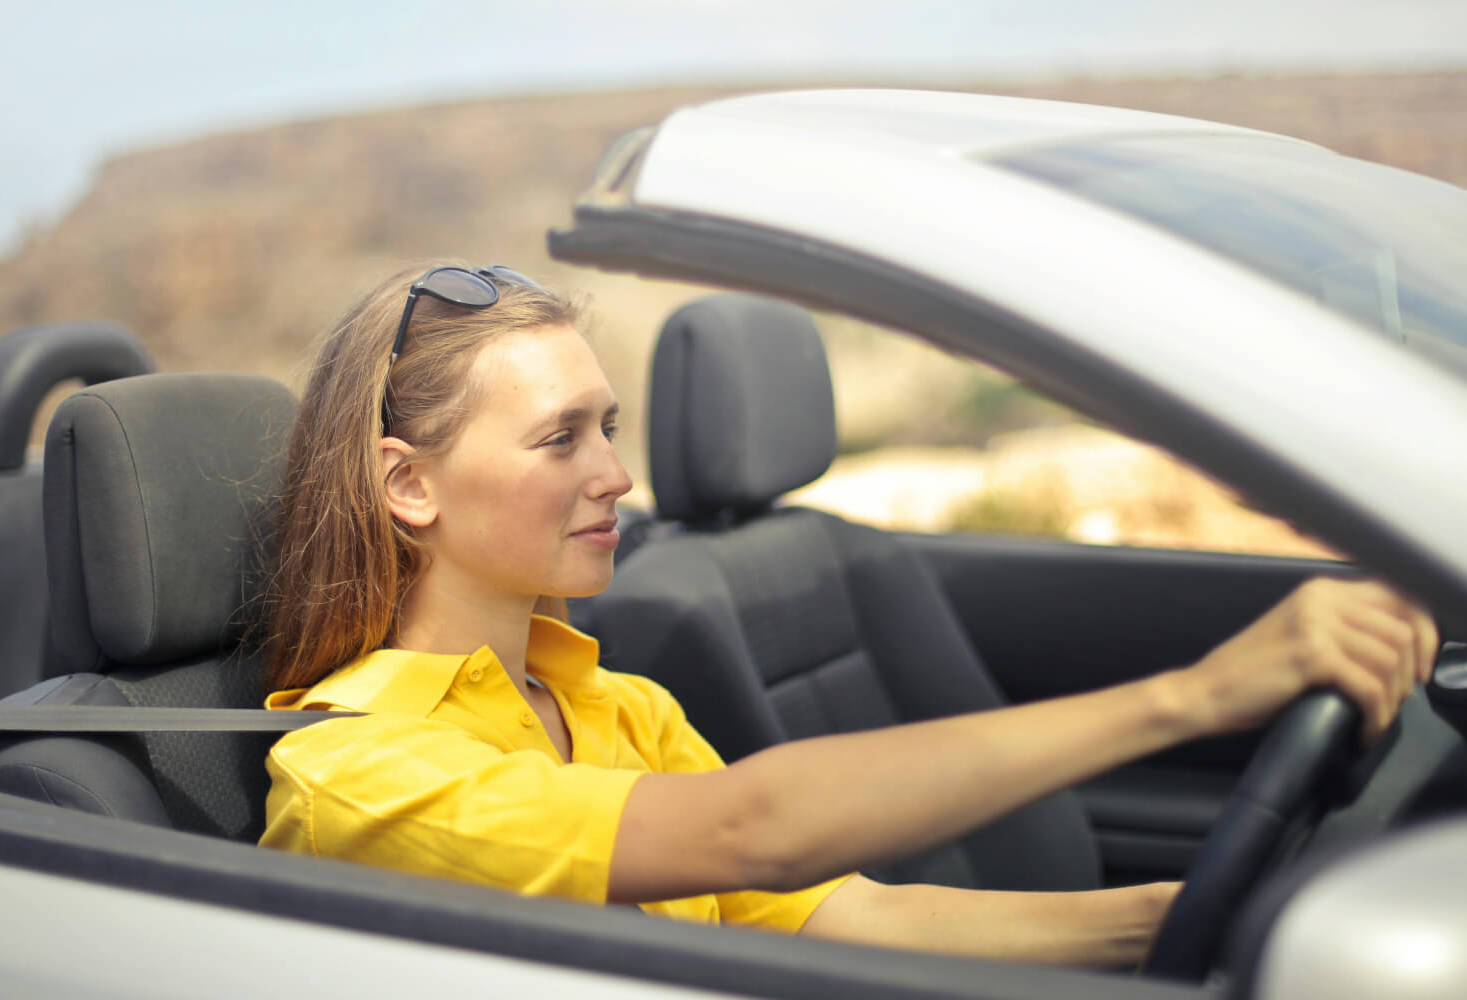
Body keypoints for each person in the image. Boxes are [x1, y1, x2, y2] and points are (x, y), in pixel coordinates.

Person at [257, 262, 1437, 967]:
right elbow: (749, 830)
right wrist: (1190, 697)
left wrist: (1201, 916)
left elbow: (850, 916)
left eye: (608, 427)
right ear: (408, 482)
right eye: (560, 438)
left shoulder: (613, 705)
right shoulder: (361, 770)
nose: (615, 474)